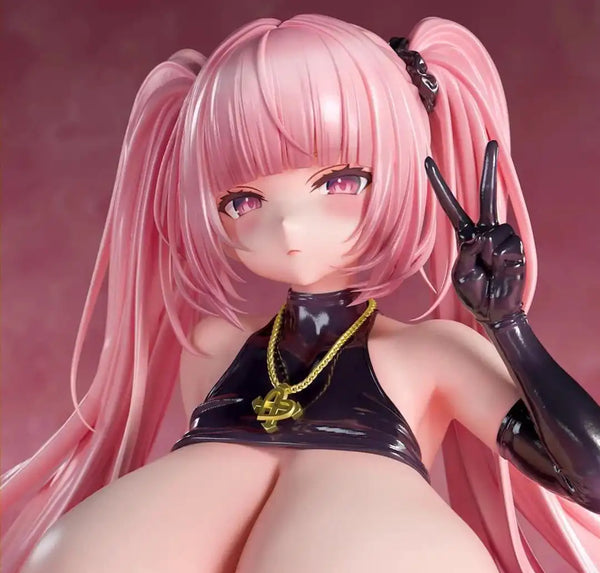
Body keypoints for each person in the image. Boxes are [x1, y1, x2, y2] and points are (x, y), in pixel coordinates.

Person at [3, 13, 600, 573]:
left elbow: (589, 477)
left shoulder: (430, 354)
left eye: (340, 182)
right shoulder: (213, 349)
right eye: (243, 200)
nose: (288, 225)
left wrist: (508, 326)